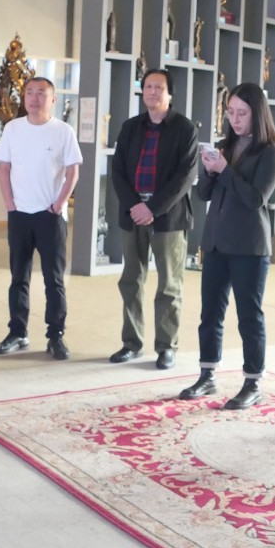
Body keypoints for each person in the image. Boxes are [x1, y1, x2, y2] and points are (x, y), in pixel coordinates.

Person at [178, 82, 275, 409]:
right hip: (216, 242)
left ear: (257, 114)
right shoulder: (224, 146)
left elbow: (255, 198)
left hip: (249, 246)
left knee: (249, 315)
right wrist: (210, 170)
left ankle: (253, 382)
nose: (234, 120)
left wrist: (224, 170)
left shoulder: (271, 153)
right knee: (210, 313)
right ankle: (207, 375)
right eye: (231, 112)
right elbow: (203, 194)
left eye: (242, 113)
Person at [109, 69, 199, 369]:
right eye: (148, 86)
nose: (152, 92)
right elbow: (118, 171)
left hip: (168, 218)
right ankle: (131, 343)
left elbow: (185, 176)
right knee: (130, 281)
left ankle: (166, 346)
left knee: (169, 285)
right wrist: (135, 205)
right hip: (133, 214)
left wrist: (153, 208)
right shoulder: (130, 127)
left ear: (169, 94)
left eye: (158, 87)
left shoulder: (185, 129)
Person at [0, 76, 82, 360]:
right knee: (18, 276)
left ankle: (56, 335)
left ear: (52, 99)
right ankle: (17, 332)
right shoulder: (13, 128)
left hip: (50, 215)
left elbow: (73, 172)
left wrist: (59, 204)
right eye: (29, 92)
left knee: (53, 279)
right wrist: (10, 204)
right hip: (20, 213)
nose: (34, 98)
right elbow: (4, 168)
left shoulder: (63, 131)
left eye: (41, 93)